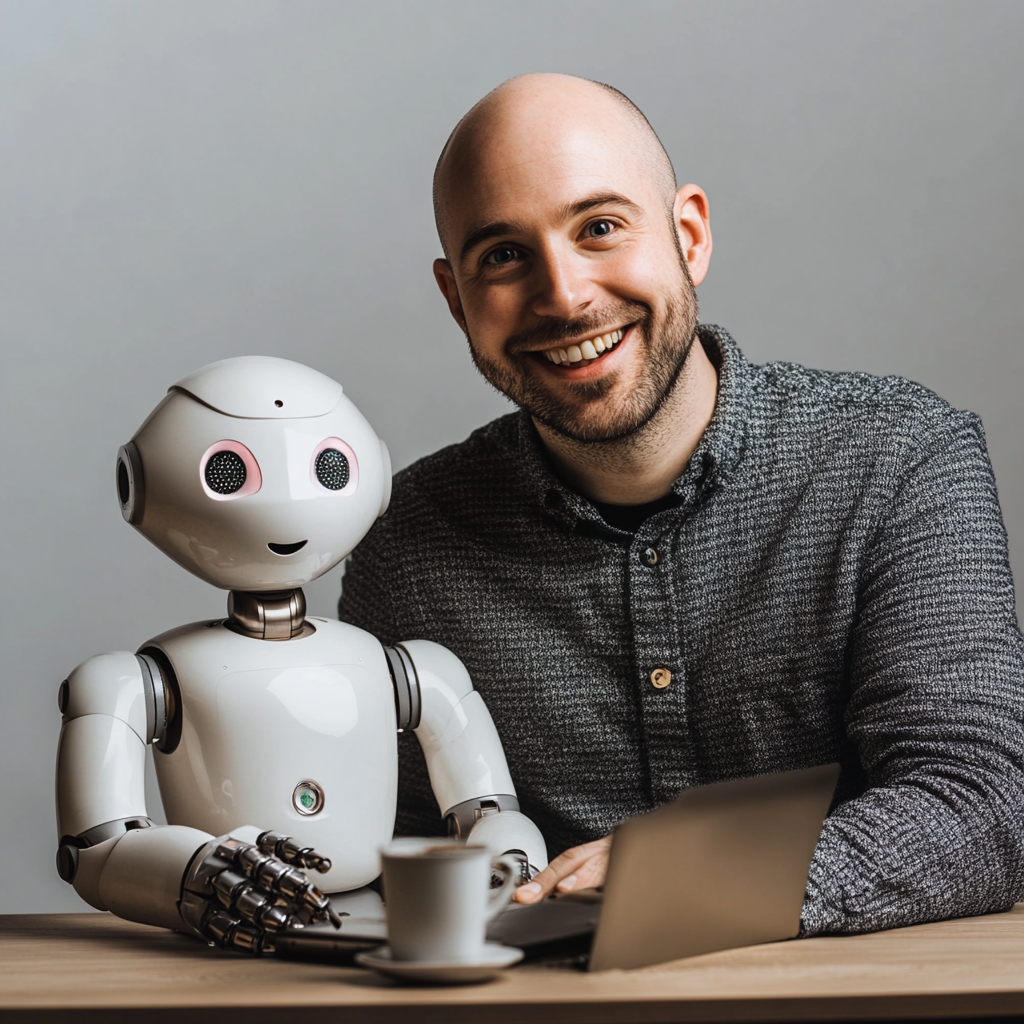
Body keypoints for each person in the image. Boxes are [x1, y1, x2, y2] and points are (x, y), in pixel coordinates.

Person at [339, 73, 1024, 935]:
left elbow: (986, 807)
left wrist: (696, 877)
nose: (564, 295)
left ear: (689, 235)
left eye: (600, 228)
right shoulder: (404, 544)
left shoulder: (899, 459)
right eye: (504, 255)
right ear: (457, 299)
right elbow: (393, 867)